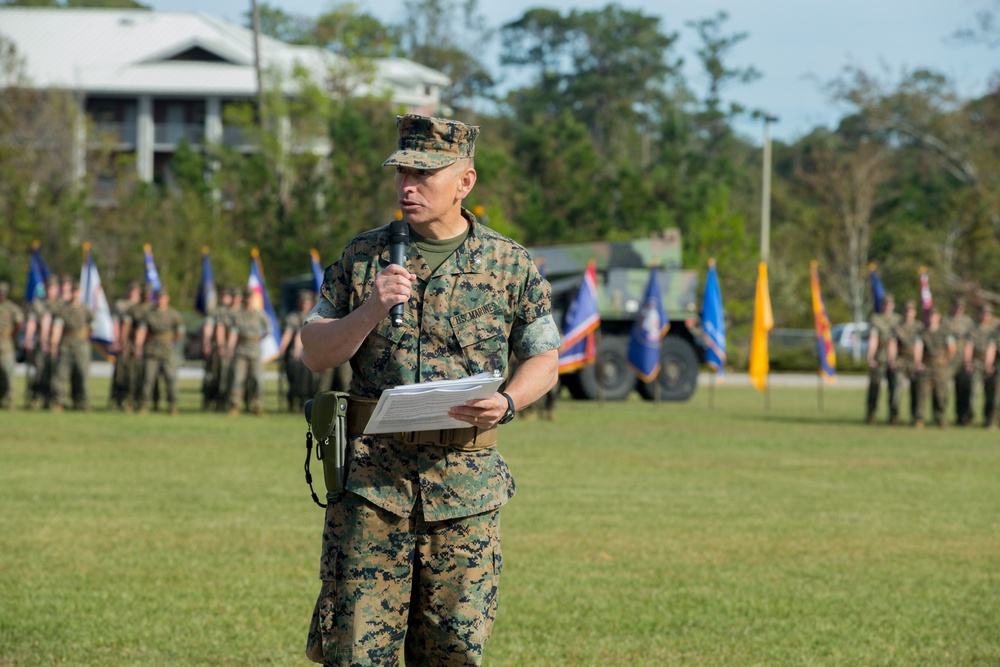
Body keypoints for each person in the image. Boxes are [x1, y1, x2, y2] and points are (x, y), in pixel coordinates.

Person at [300, 114, 560, 666]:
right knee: (355, 654)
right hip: (372, 490)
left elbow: (545, 357)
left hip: (464, 494)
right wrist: (372, 306)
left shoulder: (509, 264)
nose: (406, 187)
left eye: (423, 174)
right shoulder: (365, 256)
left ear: (464, 182)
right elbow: (315, 350)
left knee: (455, 652)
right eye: (401, 173)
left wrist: (509, 401)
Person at [134, 288, 185, 415]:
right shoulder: (149, 314)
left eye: (163, 297)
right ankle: (144, 405)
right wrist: (138, 346)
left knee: (170, 378)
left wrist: (169, 339)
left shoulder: (174, 314)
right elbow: (142, 331)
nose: (160, 300)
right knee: (148, 379)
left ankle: (172, 405)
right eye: (158, 297)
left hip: (167, 350)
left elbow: (180, 332)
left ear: (167, 299)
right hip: (151, 350)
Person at [49, 281, 94, 412]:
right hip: (66, 345)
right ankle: (59, 402)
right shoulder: (63, 309)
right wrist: (54, 343)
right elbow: (57, 326)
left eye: (77, 291)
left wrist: (85, 339)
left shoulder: (86, 309)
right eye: (73, 291)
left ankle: (82, 402)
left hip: (81, 345)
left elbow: (92, 327)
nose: (75, 294)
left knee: (82, 374)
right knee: (61, 375)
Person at [225, 288, 269, 416]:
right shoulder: (238, 315)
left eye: (251, 297)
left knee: (257, 380)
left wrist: (257, 339)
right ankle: (235, 405)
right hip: (241, 350)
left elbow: (268, 330)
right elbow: (233, 333)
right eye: (247, 297)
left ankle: (258, 405)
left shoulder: (260, 314)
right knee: (238, 379)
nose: (248, 300)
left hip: (255, 351)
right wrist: (230, 349)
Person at [22, 276, 60, 409]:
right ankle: (36, 397)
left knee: (56, 374)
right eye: (49, 288)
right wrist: (28, 339)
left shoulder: (61, 304)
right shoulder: (38, 304)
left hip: (59, 345)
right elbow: (32, 322)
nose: (51, 290)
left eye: (53, 288)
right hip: (41, 343)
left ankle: (54, 400)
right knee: (40, 371)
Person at [915, 308, 956, 428]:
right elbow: (918, 347)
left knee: (941, 393)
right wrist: (918, 362)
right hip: (927, 364)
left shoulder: (945, 332)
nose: (932, 318)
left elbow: (951, 348)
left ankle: (940, 418)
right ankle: (919, 419)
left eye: (934, 315)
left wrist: (945, 360)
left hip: (940, 366)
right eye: (930, 316)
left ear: (939, 317)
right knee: (922, 393)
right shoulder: (923, 332)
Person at [278, 289, 316, 412]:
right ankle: (292, 403)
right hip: (295, 356)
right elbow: (287, 335)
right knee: (294, 380)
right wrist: (281, 350)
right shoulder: (292, 317)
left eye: (307, 302)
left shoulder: (316, 316)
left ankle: (304, 403)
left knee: (309, 382)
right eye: (302, 302)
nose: (304, 304)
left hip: (311, 355)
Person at [866, 293, 899, 424]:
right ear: (881, 305)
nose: (887, 306)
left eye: (890, 304)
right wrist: (870, 356)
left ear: (893, 305)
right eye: (885, 304)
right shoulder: (876, 319)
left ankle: (894, 416)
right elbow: (873, 339)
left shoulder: (898, 320)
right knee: (875, 387)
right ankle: (871, 414)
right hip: (880, 356)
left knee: (895, 388)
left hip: (895, 358)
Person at [963, 303, 998, 428]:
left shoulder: (995, 330)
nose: (985, 316)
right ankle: (969, 417)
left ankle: (989, 418)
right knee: (973, 392)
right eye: (983, 313)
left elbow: (993, 347)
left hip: (991, 364)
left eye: (988, 314)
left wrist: (989, 364)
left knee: (991, 394)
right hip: (976, 362)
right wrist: (968, 363)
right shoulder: (973, 329)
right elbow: (969, 347)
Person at [110, 281, 141, 410]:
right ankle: (117, 400)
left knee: (137, 373)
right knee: (121, 372)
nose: (132, 292)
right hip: (125, 342)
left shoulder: (144, 305)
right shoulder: (120, 304)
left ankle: (134, 400)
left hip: (140, 343)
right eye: (130, 289)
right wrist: (117, 341)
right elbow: (116, 323)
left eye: (135, 290)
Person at [893, 300, 924, 427]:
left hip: (914, 361)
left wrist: (920, 361)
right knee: (896, 391)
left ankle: (915, 418)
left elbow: (922, 345)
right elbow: (893, 344)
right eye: (906, 310)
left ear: (914, 313)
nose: (908, 313)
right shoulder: (897, 327)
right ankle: (894, 416)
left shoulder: (919, 327)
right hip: (901, 360)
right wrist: (893, 359)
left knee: (916, 391)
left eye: (911, 311)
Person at [945, 297, 975, 425]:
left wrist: (969, 360)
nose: (958, 309)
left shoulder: (968, 322)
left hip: (964, 357)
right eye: (956, 306)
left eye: (961, 307)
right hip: (948, 357)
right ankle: (941, 416)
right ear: (952, 306)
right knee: (944, 389)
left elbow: (971, 341)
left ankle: (963, 416)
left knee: (963, 389)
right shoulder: (945, 320)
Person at [0, 281, 25, 410]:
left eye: (3, 293)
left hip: (6, 345)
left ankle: (10, 401)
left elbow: (19, 322)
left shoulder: (12, 307)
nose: (1, 295)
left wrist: (12, 333)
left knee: (8, 372)